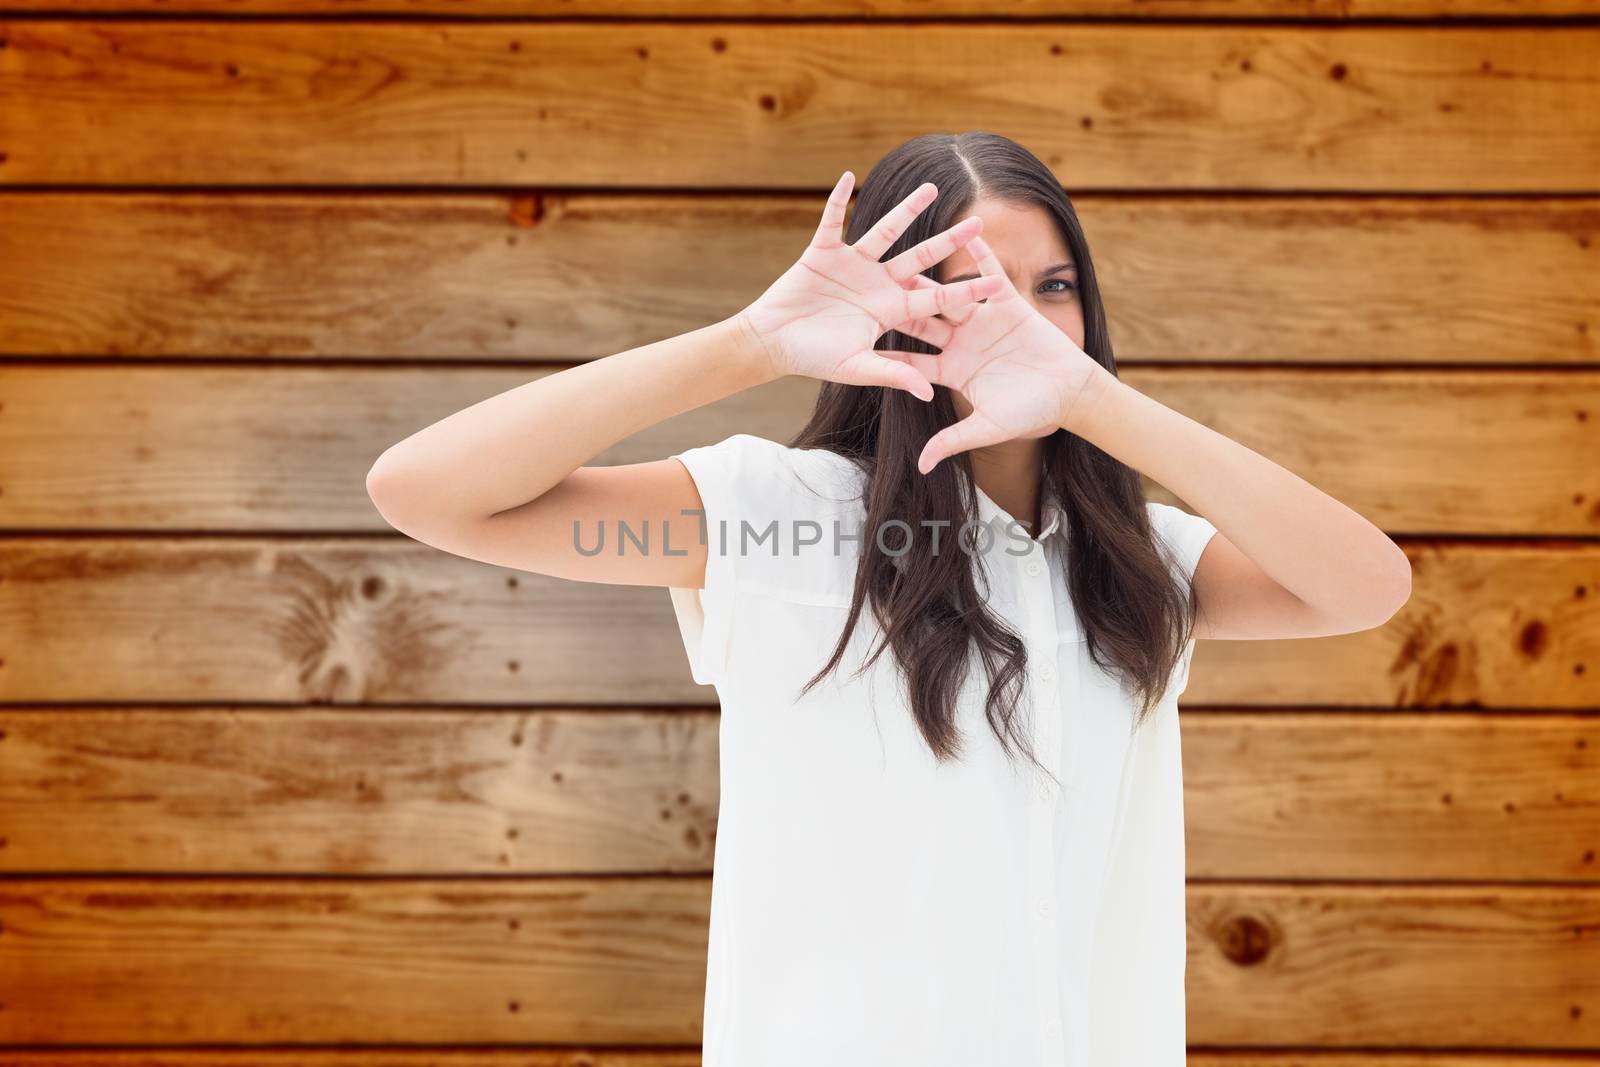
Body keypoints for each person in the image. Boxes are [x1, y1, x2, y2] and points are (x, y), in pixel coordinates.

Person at [366, 131, 1412, 1066]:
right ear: (891, 310)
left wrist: (1094, 399)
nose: (1018, 323)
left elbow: (1365, 585)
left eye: (1051, 288)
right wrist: (752, 343)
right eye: (962, 285)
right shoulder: (777, 518)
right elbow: (426, 492)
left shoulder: (1134, 561)